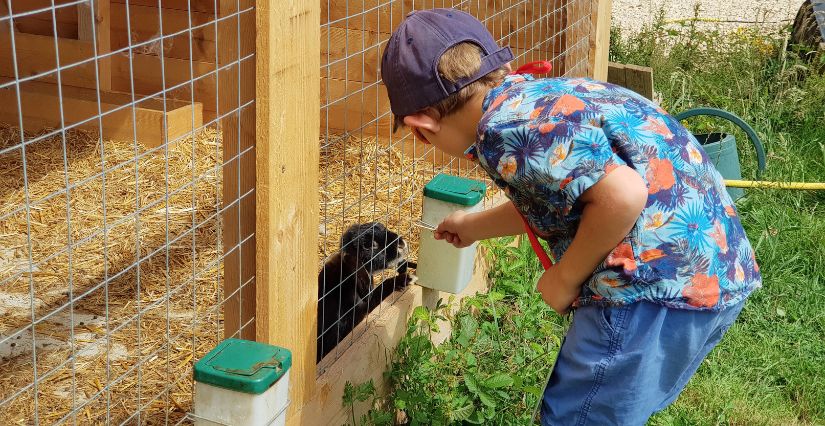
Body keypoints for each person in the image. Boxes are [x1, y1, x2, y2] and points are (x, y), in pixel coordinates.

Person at [380, 8, 762, 425]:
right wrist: (473, 226)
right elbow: (574, 194)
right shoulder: (539, 98)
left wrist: (565, 277)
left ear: (421, 127)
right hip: (714, 267)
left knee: (578, 415)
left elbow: (622, 195)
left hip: (646, 289)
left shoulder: (501, 133)